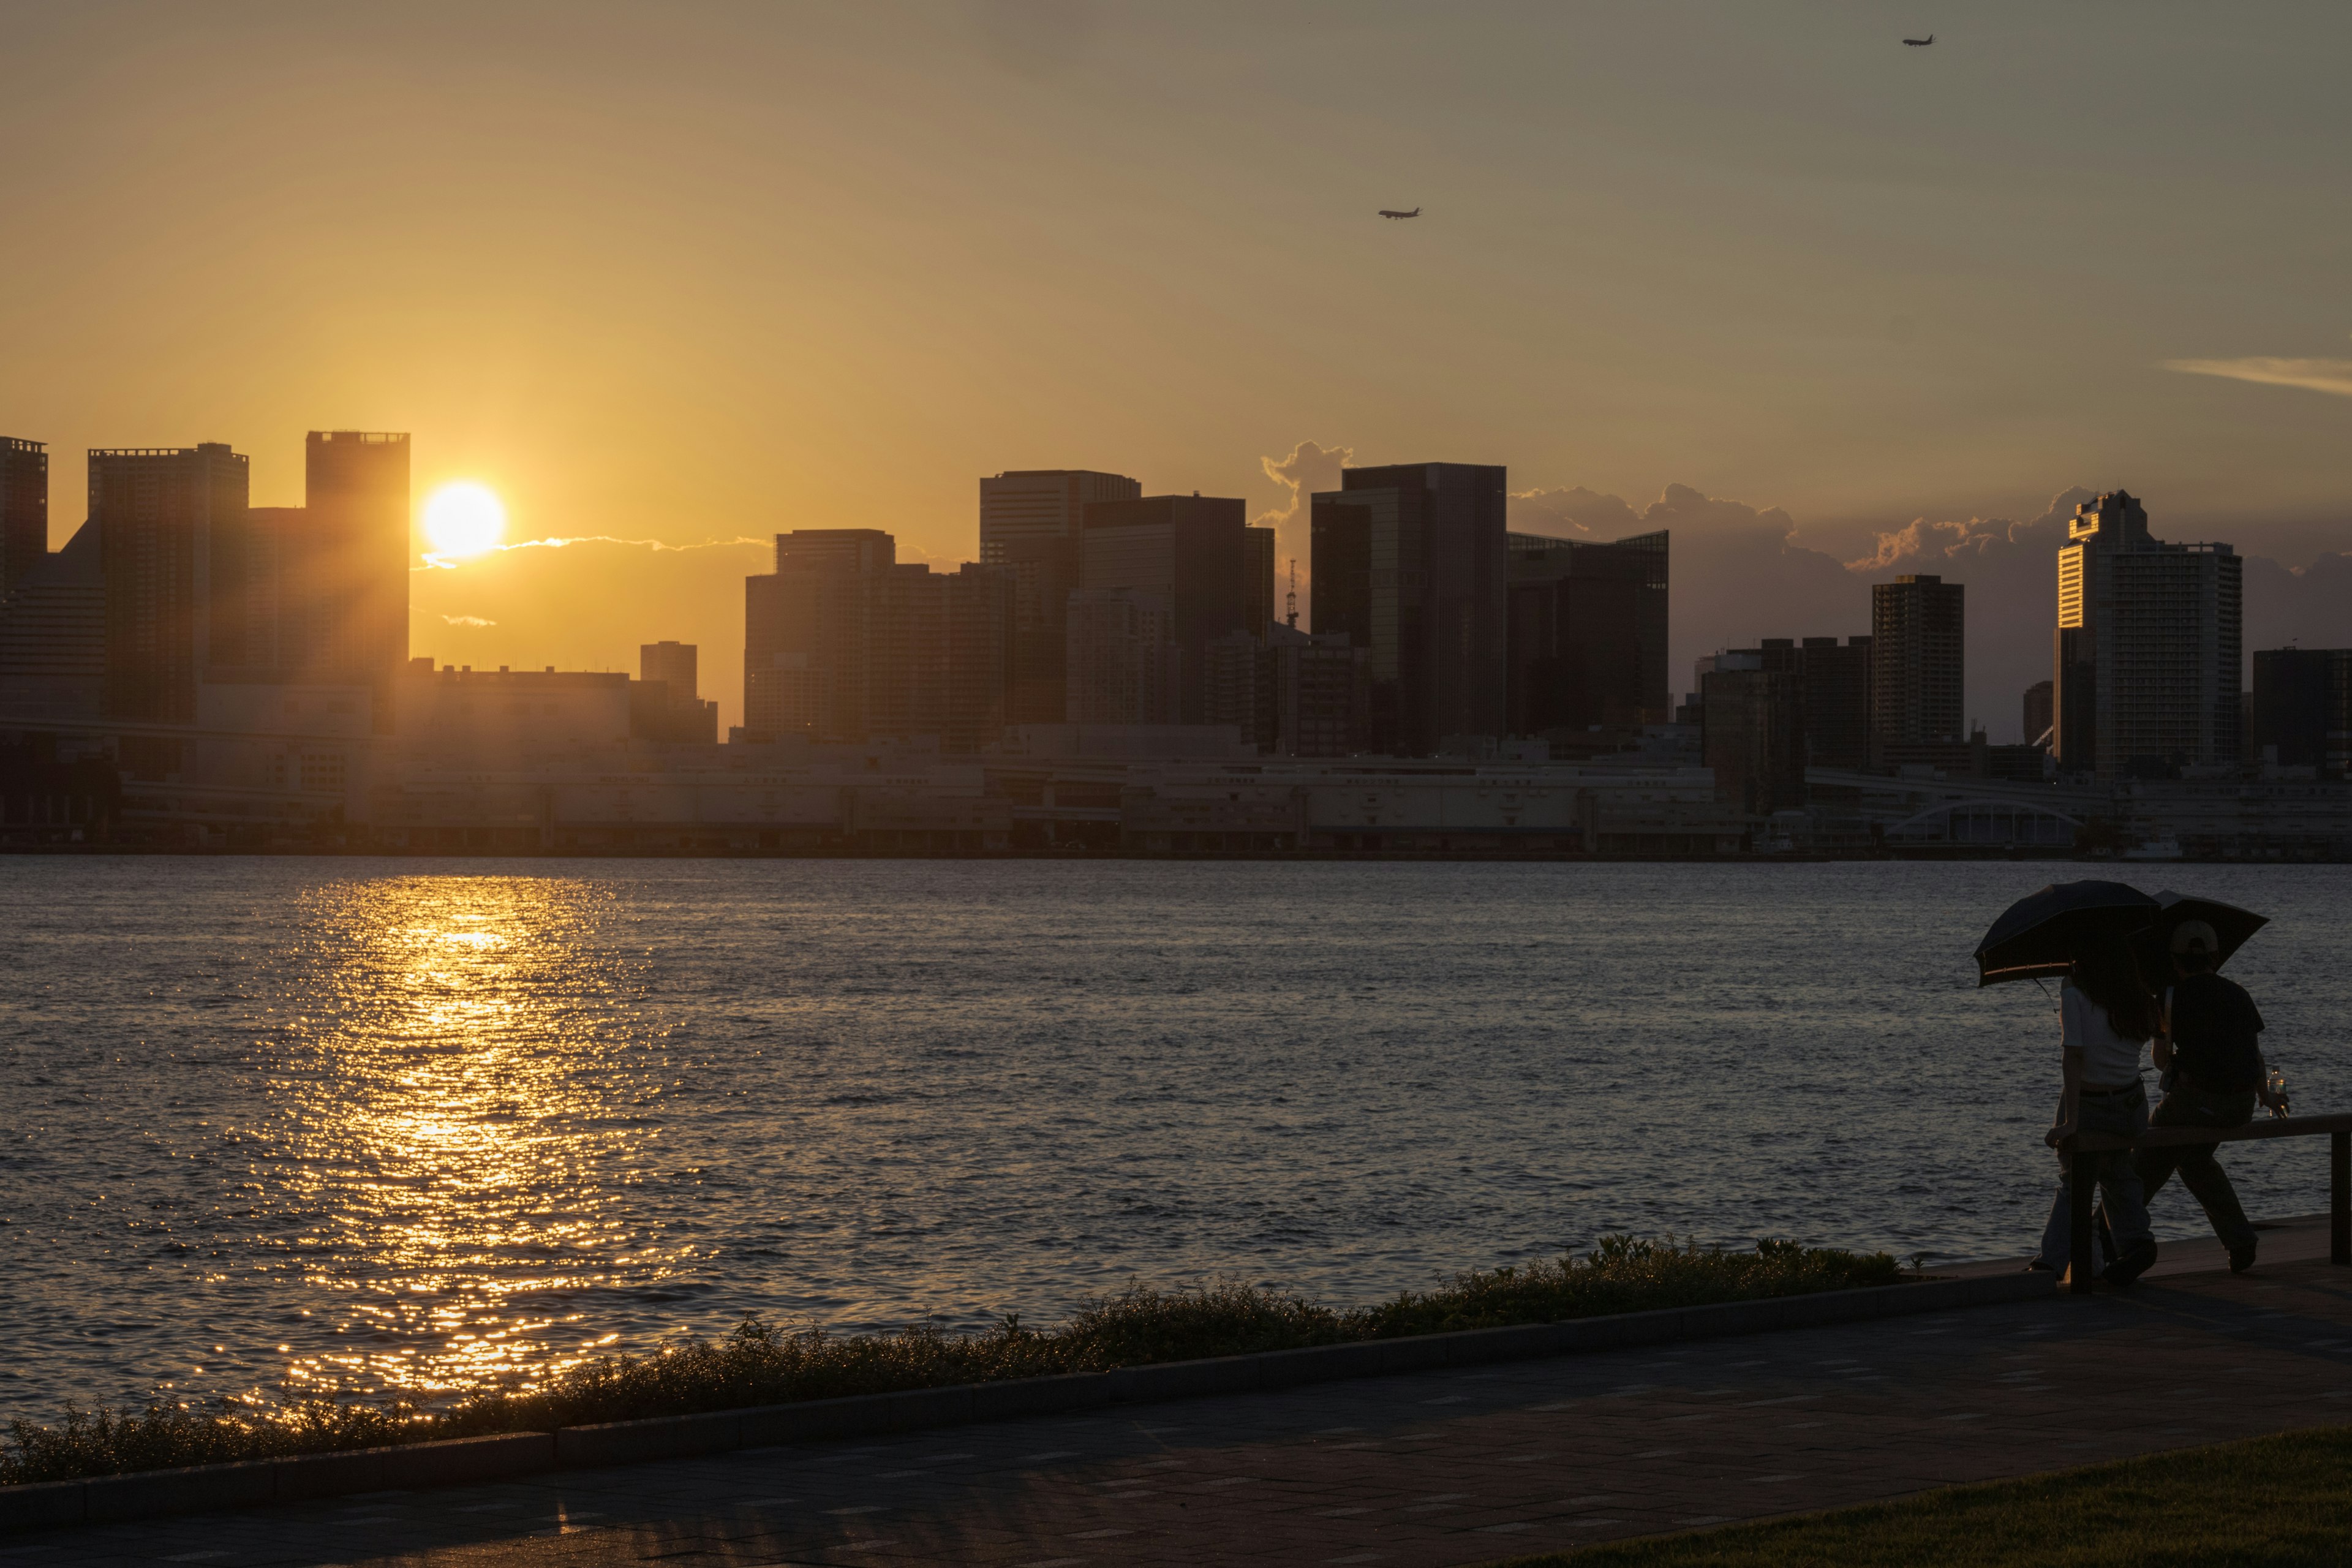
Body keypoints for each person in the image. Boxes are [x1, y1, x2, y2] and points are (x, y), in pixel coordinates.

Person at [2136, 920, 2284, 1275]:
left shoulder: (2169, 997)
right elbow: (2256, 1055)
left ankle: (2110, 1234)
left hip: (2198, 1101)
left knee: (2149, 1150)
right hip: (2240, 1105)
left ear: (2175, 960)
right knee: (2194, 1159)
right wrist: (2267, 1095)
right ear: (2215, 957)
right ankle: (2239, 1239)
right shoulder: (2239, 994)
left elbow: (2160, 1062)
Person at [2034, 933, 2161, 1284]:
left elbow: (2074, 1053)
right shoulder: (2140, 996)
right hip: (2131, 1105)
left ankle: (2051, 1264)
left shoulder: (2074, 989)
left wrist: (2071, 1122)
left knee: (2075, 1179)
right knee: (2118, 1171)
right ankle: (2136, 1243)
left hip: (2089, 1104)